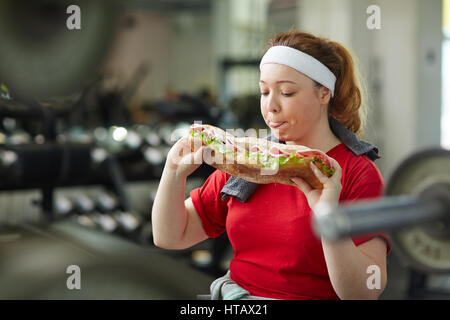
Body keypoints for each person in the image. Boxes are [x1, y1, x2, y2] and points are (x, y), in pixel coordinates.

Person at [151, 30, 391, 300]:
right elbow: (170, 237)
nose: (270, 106)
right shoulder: (249, 164)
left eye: (286, 92)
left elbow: (365, 292)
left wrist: (328, 215)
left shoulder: (357, 173)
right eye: (264, 91)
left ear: (324, 93)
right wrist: (172, 172)